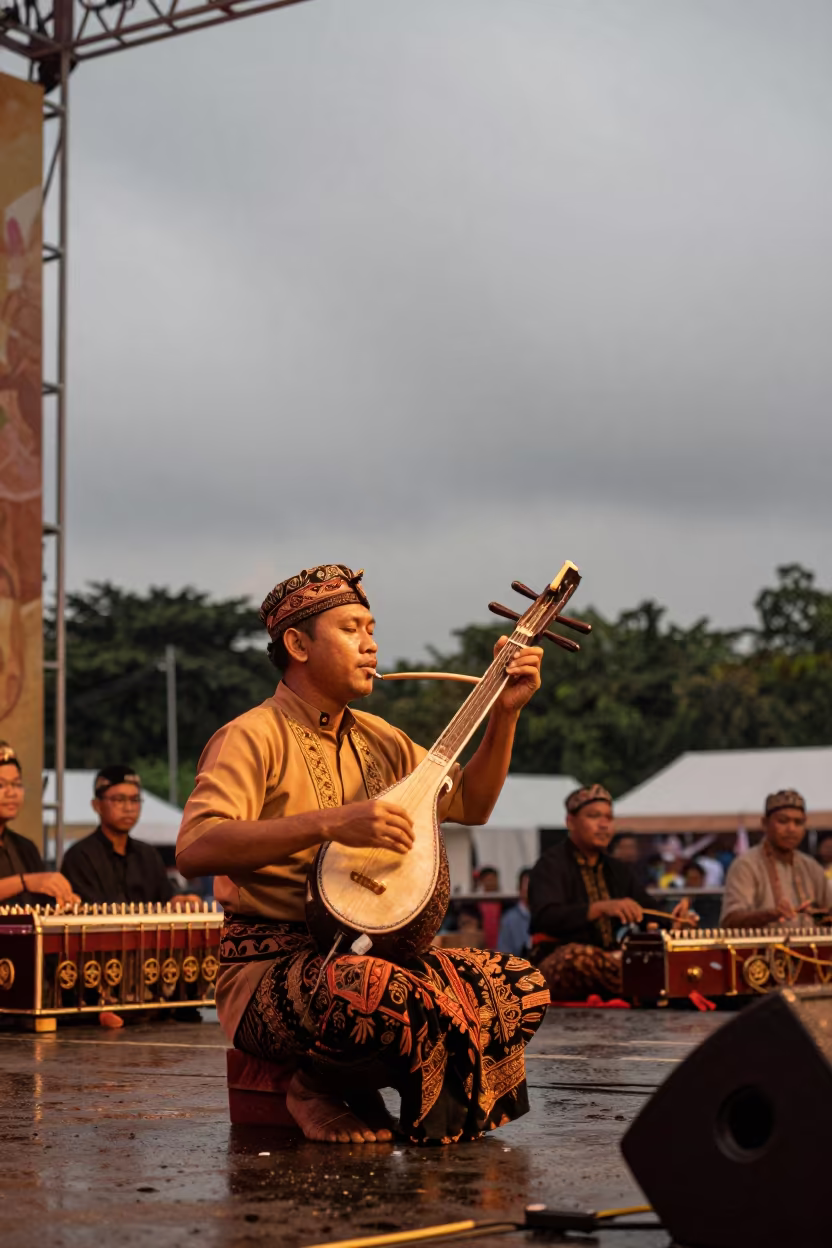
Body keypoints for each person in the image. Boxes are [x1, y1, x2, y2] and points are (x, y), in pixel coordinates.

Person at [176, 563, 549, 1146]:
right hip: (269, 972)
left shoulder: (380, 737)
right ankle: (312, 1086)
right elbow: (197, 847)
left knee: (514, 984)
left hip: (373, 956)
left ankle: (405, 1099)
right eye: (352, 629)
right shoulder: (252, 735)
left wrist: (505, 712)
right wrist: (333, 822)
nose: (371, 643)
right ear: (297, 645)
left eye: (372, 628)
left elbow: (472, 802)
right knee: (367, 987)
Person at [528, 785, 692, 1001]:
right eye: (594, 816)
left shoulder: (617, 869)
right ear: (570, 822)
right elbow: (544, 918)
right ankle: (645, 987)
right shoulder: (550, 864)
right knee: (577, 958)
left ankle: (643, 984)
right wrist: (599, 909)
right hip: (557, 963)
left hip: (612, 961)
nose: (604, 824)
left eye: (609, 817)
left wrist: (675, 922)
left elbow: (649, 910)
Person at [62, 765, 203, 908]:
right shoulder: (80, 857)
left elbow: (165, 900)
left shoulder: (148, 855)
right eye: (118, 799)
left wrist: (177, 902)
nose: (128, 808)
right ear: (97, 805)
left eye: (134, 800)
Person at [721, 790, 832, 929]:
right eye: (783, 821)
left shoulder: (811, 867)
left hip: (810, 950)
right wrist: (771, 915)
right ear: (765, 823)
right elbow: (730, 921)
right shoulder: (746, 865)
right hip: (761, 950)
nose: (791, 829)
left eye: (798, 822)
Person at [0, 741, 78, 908]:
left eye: (17, 784)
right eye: (1, 785)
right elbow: (31, 882)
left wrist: (63, 900)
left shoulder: (25, 848)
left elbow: (41, 904)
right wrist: (25, 882)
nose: (11, 793)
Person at [498, 868, 531, 957]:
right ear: (519, 889)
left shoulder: (546, 917)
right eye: (528, 885)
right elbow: (504, 954)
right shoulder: (509, 919)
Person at [474, 864, 502, 948]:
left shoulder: (503, 900)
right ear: (482, 881)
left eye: (494, 879)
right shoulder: (477, 901)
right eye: (489, 880)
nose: (492, 883)